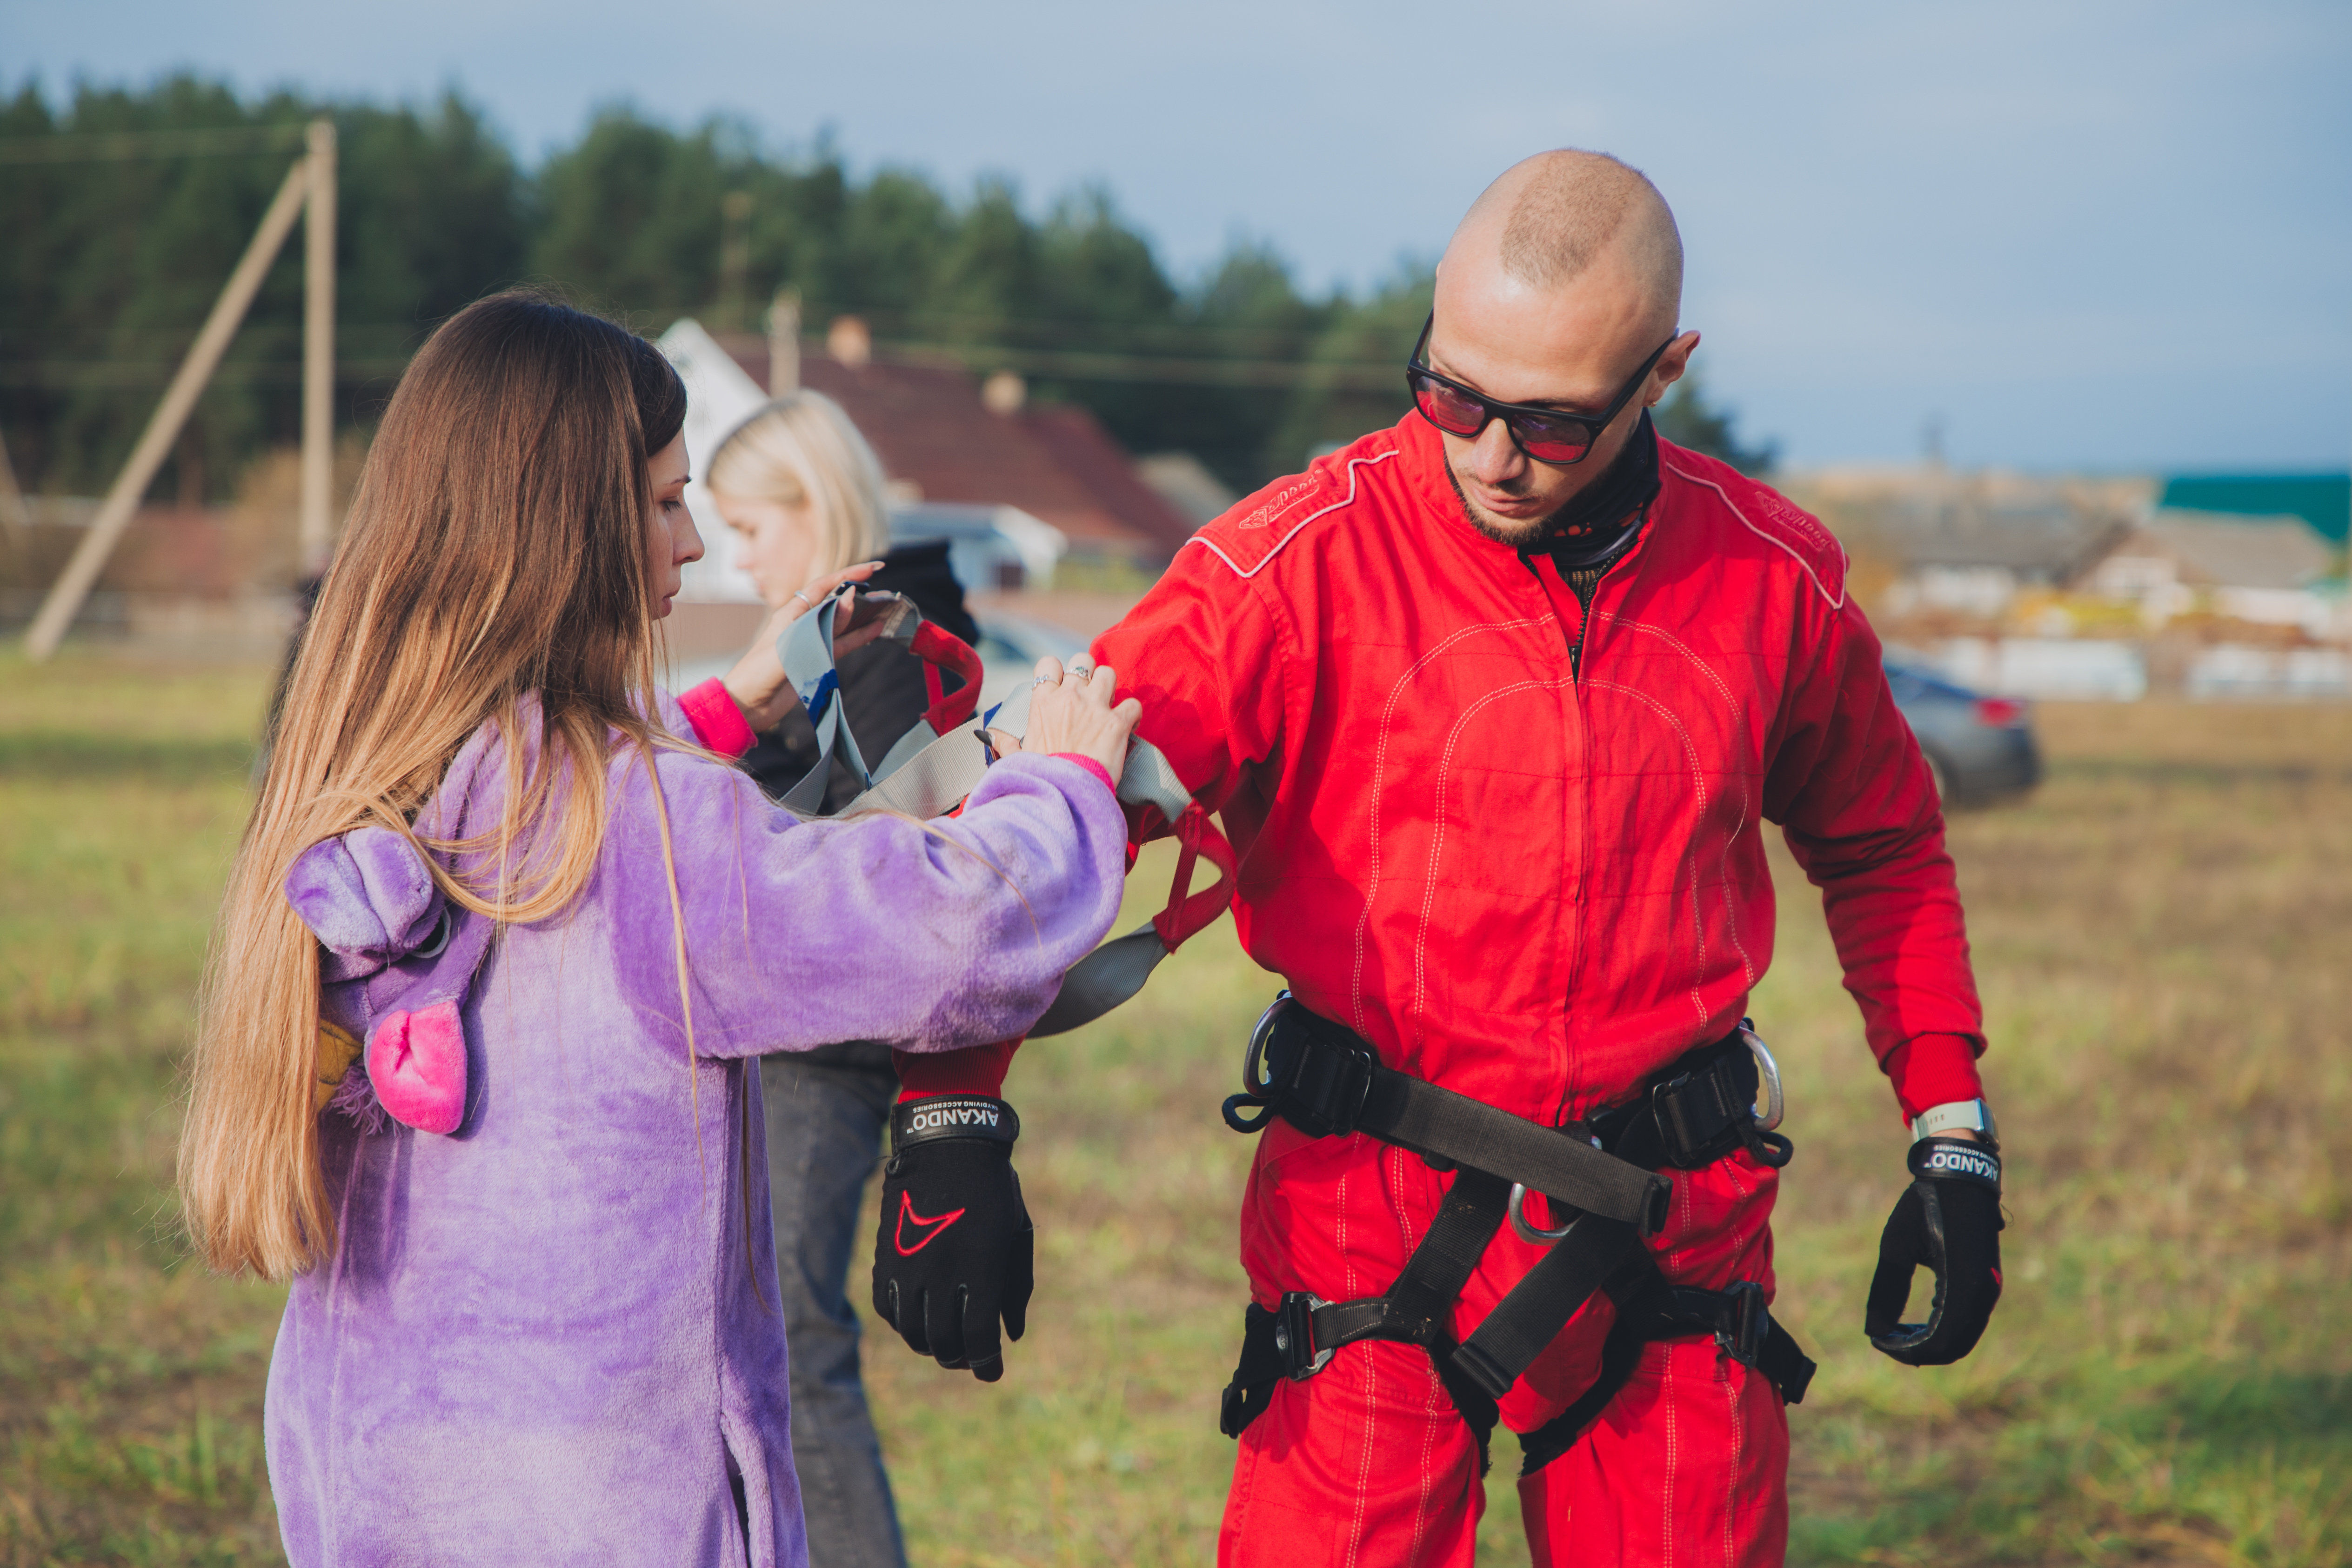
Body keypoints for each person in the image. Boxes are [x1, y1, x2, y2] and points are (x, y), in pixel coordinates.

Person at [875, 152, 2005, 1566]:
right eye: (1452, 391)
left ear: (1663, 375)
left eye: (1548, 421)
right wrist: (952, 1118)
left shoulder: (1771, 580)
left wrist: (1950, 1124)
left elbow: (1885, 841)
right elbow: (1039, 826)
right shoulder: (1289, 571)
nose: (1486, 453)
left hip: (1676, 1233)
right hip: (1369, 1226)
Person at [176, 290, 1141, 1568]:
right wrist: (1060, 786)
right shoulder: (637, 826)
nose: (695, 547)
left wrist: (731, 705)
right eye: (667, 501)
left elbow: (592, 803)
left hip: (375, 1476)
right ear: (570, 522)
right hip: (607, 1505)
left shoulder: (367, 768)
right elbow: (947, 937)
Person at [698, 392, 986, 1568]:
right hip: (791, 1040)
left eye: (749, 527)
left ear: (813, 508)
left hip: (826, 1055)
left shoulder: (891, 648)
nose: (736, 555)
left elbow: (865, 853)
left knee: (794, 1344)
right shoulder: (846, 645)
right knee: (757, 1339)